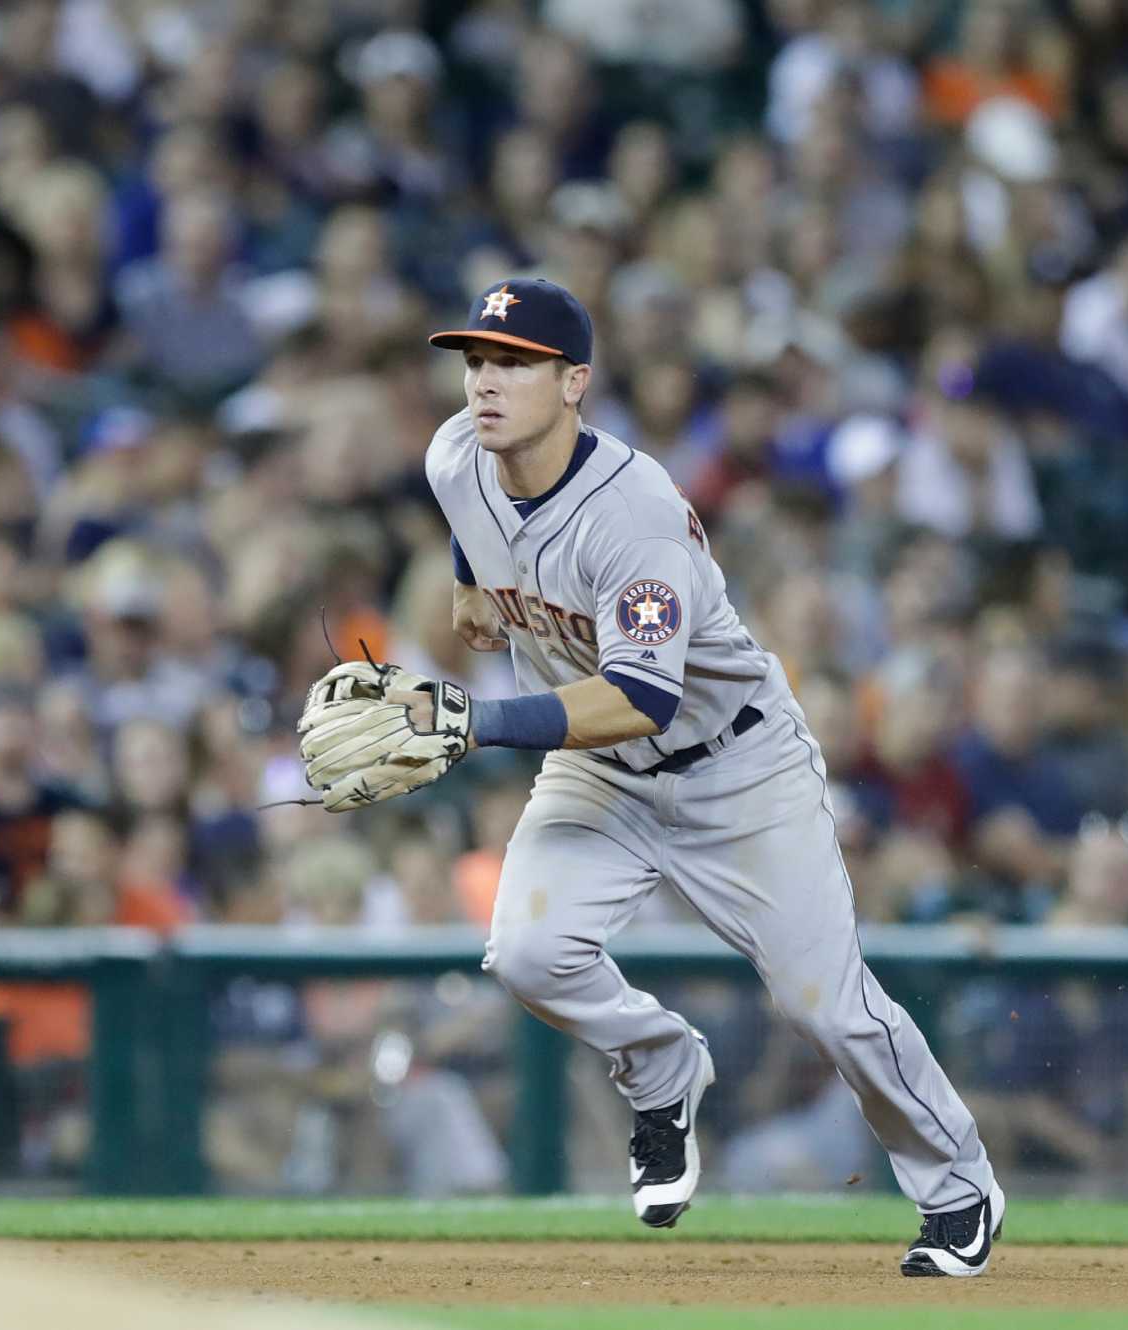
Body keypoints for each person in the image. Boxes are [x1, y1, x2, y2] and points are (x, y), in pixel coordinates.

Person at [295, 279, 1002, 1276]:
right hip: (600, 776)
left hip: (735, 770)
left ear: (574, 380)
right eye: (475, 360)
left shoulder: (632, 514)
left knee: (823, 1005)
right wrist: (465, 585)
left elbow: (638, 697)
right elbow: (468, 512)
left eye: (514, 364)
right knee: (530, 952)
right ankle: (662, 1063)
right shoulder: (456, 451)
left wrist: (478, 723)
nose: (485, 383)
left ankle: (959, 1185)